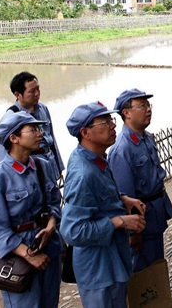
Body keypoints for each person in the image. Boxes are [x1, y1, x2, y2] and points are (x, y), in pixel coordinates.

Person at [61, 102, 146, 308]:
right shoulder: (84, 173)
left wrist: (122, 199)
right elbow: (72, 231)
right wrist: (119, 221)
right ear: (85, 133)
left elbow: (98, 196)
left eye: (111, 120)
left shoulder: (94, 158)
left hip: (112, 260)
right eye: (105, 122)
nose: (112, 126)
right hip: (99, 269)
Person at [0, 111, 62, 308]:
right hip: (18, 258)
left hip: (48, 247)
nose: (40, 133)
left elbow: (54, 203)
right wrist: (29, 256)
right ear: (14, 138)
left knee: (49, 303)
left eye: (39, 128)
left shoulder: (42, 166)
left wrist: (51, 226)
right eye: (32, 129)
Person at [108, 89, 172, 273]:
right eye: (142, 105)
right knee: (143, 275)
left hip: (154, 215)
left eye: (148, 105)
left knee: (156, 266)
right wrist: (133, 232)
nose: (148, 110)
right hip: (140, 223)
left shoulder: (146, 138)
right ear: (126, 113)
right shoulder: (122, 149)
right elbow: (125, 194)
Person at [0, 72, 64, 183]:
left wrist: (58, 167)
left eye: (38, 89)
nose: (37, 94)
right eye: (32, 91)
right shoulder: (11, 118)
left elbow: (52, 139)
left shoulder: (42, 108)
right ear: (18, 95)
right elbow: (2, 153)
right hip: (29, 169)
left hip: (49, 164)